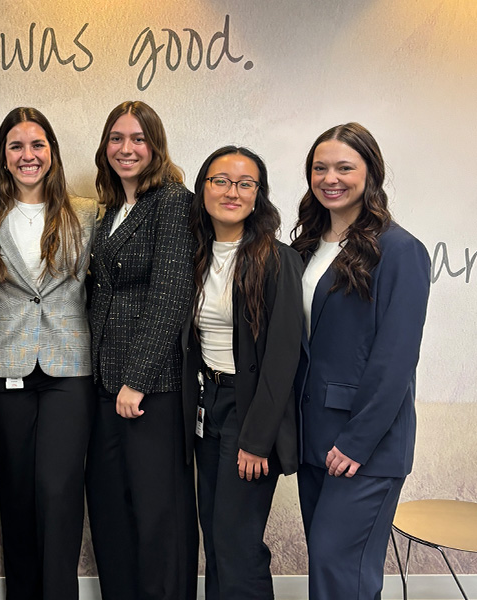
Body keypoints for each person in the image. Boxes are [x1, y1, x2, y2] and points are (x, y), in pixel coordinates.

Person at [291, 123, 430, 600]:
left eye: (345, 167)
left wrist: (356, 442)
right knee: (329, 572)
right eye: (320, 167)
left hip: (364, 444)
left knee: (340, 571)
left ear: (370, 172)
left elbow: (395, 360)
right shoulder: (307, 246)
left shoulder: (400, 250)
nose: (331, 177)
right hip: (314, 437)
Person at [0, 107, 96, 600]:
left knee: (59, 492)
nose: (28, 155)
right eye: (17, 146)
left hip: (70, 368)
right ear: (4, 155)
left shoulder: (86, 212)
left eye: (37, 145)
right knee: (17, 494)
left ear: (52, 152)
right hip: (4, 368)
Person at [85, 100, 198, 600]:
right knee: (112, 509)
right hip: (103, 382)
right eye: (116, 138)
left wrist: (137, 378)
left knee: (158, 514)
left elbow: (171, 293)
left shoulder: (173, 201)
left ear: (155, 145)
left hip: (148, 386)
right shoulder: (110, 209)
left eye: (137, 138)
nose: (126, 148)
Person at [182, 146, 303, 599]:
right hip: (206, 405)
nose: (231, 191)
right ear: (203, 188)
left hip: (249, 411)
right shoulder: (195, 255)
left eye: (244, 183)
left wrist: (256, 441)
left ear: (258, 195)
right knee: (215, 538)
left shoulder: (277, 260)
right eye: (220, 180)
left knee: (237, 543)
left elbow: (282, 358)